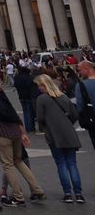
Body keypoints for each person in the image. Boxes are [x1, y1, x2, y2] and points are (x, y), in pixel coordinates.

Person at [0, 74, 44, 205]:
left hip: (1, 132)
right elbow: (12, 110)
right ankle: (37, 189)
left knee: (8, 165)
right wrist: (22, 131)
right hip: (15, 130)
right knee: (19, 161)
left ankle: (18, 196)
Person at [32, 75, 82, 203]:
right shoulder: (64, 96)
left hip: (54, 134)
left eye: (39, 85)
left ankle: (67, 193)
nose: (38, 88)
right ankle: (78, 193)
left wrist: (46, 126)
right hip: (69, 134)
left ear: (43, 85)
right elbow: (74, 115)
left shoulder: (41, 99)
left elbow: (40, 118)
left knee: (61, 164)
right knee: (72, 164)